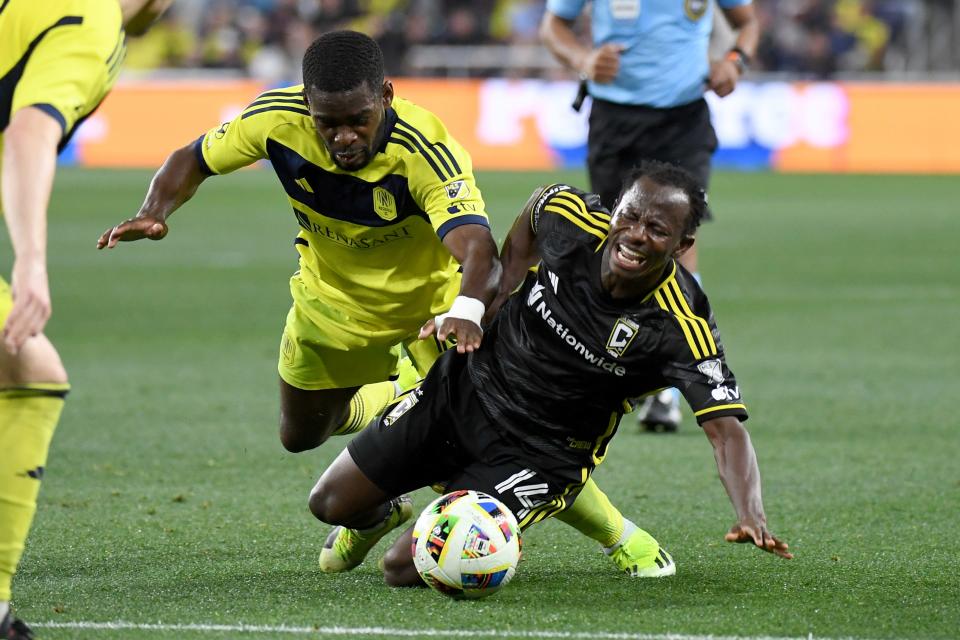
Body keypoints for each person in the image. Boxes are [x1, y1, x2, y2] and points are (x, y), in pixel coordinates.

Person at [96, 30, 655, 581]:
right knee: (301, 435)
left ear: (385, 96)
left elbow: (478, 248)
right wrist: (155, 209)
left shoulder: (425, 151)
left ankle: (620, 537)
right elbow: (192, 157)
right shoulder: (274, 119)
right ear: (306, 104)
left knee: (500, 439)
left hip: (431, 313)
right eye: (327, 122)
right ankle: (384, 492)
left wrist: (466, 308)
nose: (342, 137)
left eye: (357, 119)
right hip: (330, 304)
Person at [308, 160, 792, 588]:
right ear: (615, 206)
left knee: (403, 569)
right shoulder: (566, 214)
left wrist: (750, 513)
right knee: (329, 503)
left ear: (684, 244)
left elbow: (726, 432)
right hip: (462, 391)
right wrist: (474, 311)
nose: (636, 234)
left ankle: (613, 533)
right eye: (630, 215)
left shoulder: (679, 326)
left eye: (658, 229)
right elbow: (515, 255)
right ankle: (380, 515)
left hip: (539, 452)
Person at [0, 1, 173, 637]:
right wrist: (32, 263)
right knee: (27, 368)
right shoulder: (91, 22)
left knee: (24, 365)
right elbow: (26, 133)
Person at [540, 0, 760, 433]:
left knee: (675, 247)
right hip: (612, 121)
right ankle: (604, 365)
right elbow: (554, 26)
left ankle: (670, 385)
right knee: (617, 247)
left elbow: (747, 23)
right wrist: (584, 59)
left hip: (684, 122)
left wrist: (735, 61)